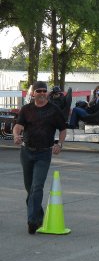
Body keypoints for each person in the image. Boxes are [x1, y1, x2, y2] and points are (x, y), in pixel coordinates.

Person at [13, 81, 67, 234]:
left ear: (47, 93)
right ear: (33, 93)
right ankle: (38, 216)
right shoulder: (26, 109)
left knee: (37, 187)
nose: (42, 93)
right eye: (39, 91)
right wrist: (17, 135)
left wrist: (60, 144)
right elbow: (19, 125)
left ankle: (31, 221)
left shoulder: (54, 110)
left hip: (44, 153)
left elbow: (63, 129)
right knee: (30, 189)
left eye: (44, 91)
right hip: (26, 152)